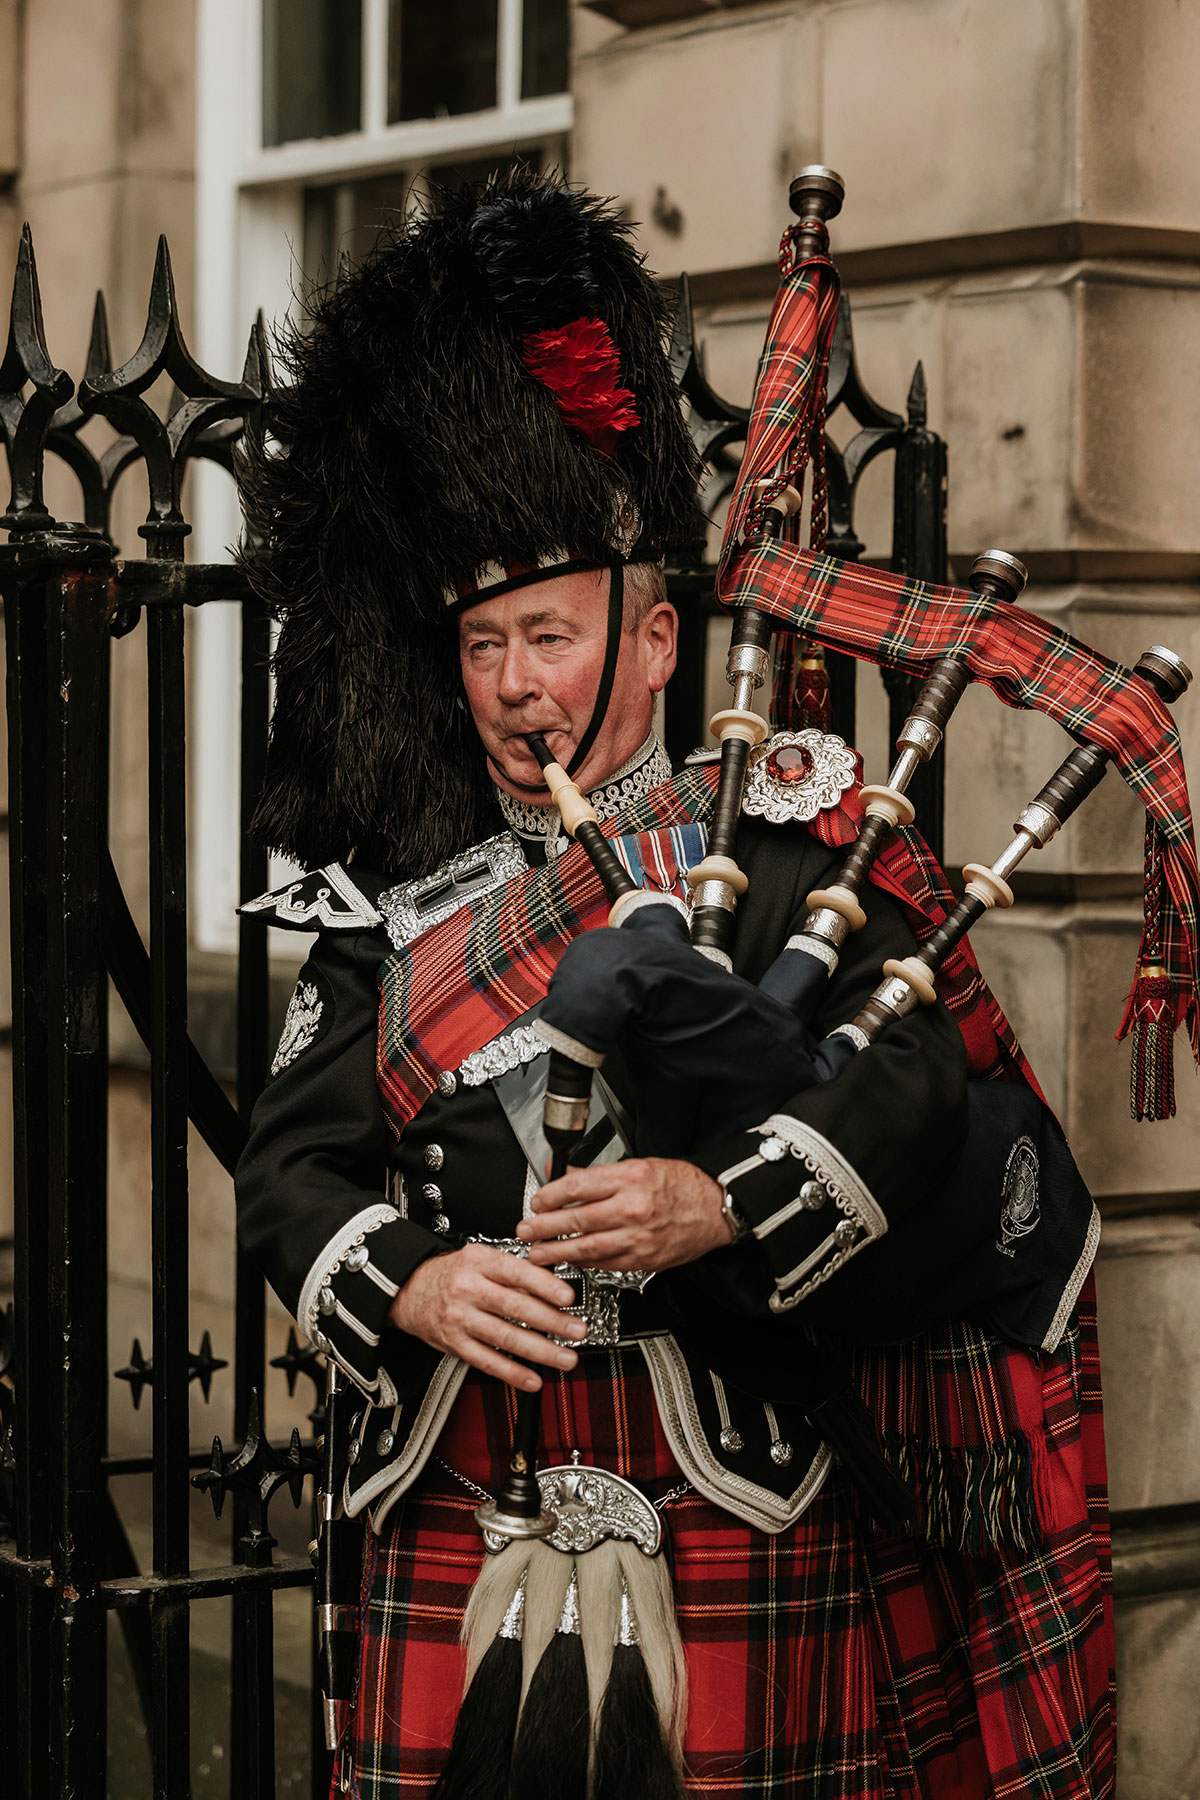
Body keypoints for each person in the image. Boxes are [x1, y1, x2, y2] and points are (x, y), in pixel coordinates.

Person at [236, 169, 1114, 1799]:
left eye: (552, 637)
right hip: (453, 1482)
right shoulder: (394, 890)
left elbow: (927, 1088)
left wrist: (720, 1207)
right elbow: (289, 1170)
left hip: (743, 1479)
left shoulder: (792, 833)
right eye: (484, 646)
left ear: (654, 641)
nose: (515, 687)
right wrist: (413, 1281)